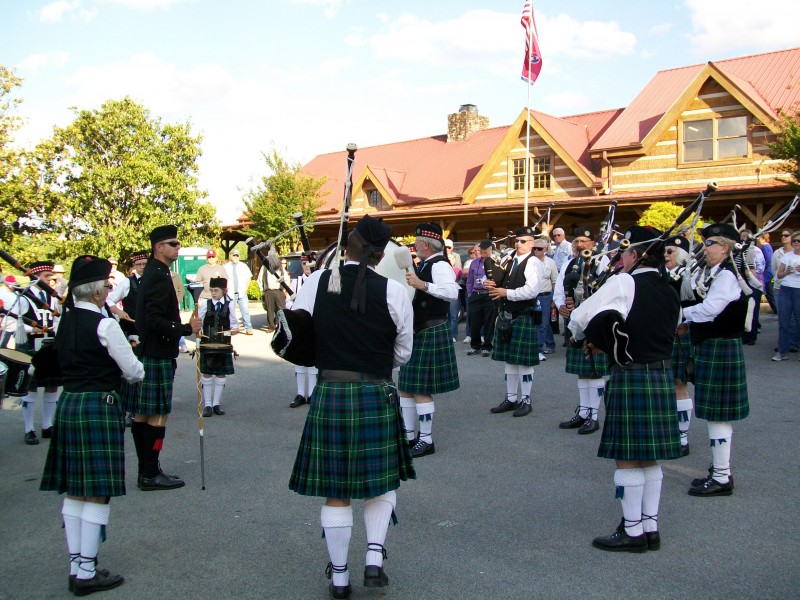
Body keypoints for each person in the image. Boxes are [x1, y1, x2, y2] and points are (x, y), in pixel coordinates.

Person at [287, 215, 414, 600]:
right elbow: (403, 354)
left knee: (336, 489)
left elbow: (296, 335)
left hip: (331, 393)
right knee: (381, 482)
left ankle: (340, 577)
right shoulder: (395, 292)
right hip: (376, 393)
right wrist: (373, 365)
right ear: (379, 255)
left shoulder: (316, 282)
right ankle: (374, 556)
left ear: (351, 245)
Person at [568, 225, 682, 553]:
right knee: (650, 459)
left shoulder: (624, 281)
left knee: (628, 458)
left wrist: (581, 336)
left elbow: (581, 316)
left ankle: (632, 533)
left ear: (634, 254)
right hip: (660, 374)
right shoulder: (669, 287)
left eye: (623, 253)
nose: (620, 259)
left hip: (633, 376)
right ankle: (650, 527)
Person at [39, 256, 144, 595]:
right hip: (99, 406)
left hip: (70, 403)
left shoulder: (63, 323)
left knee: (75, 491)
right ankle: (86, 572)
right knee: (97, 492)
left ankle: (77, 565)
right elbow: (134, 372)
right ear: (98, 291)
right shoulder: (106, 325)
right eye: (107, 286)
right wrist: (129, 350)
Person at [130, 225, 202, 491]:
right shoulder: (158, 276)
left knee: (142, 415)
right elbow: (154, 319)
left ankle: (147, 470)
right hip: (158, 352)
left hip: (150, 351)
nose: (178, 247)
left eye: (178, 243)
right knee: (157, 415)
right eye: (173, 243)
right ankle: (150, 473)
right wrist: (186, 330)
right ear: (158, 247)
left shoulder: (154, 272)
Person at [682, 223, 750, 496]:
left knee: (717, 415)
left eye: (709, 243)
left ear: (725, 247)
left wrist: (682, 315)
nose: (704, 248)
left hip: (721, 348)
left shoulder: (727, 277)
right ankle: (720, 470)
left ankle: (722, 476)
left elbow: (710, 310)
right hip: (715, 348)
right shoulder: (717, 273)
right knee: (715, 414)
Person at [398, 223, 460, 457]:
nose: (413, 245)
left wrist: (422, 285)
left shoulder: (440, 264)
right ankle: (408, 436)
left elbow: (452, 292)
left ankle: (426, 440)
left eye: (416, 242)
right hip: (417, 331)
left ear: (425, 244)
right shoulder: (423, 264)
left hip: (431, 329)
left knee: (420, 388)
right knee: (406, 387)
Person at [554, 229, 610, 434]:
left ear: (593, 243)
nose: (579, 245)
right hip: (573, 321)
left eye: (584, 241)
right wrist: (561, 305)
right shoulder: (568, 263)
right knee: (582, 371)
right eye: (576, 241)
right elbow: (560, 288)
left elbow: (605, 291)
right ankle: (584, 412)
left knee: (594, 369)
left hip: (594, 320)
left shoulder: (602, 262)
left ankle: (594, 417)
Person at [487, 226, 544, 418]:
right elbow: (502, 281)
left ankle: (525, 400)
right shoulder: (509, 260)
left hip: (522, 315)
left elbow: (531, 291)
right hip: (507, 316)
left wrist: (506, 293)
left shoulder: (533, 262)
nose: (519, 244)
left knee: (525, 363)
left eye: (524, 241)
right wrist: (492, 284)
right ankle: (511, 398)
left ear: (532, 243)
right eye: (517, 241)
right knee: (510, 361)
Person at [19, 261, 62, 445]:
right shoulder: (24, 297)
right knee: (31, 386)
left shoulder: (51, 297)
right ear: (34, 277)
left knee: (52, 386)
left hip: (48, 347)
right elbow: (17, 323)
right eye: (46, 277)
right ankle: (29, 429)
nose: (49, 280)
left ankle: (47, 426)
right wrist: (33, 330)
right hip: (29, 346)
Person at [664, 235, 694, 456]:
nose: (665, 256)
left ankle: (682, 436)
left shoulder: (688, 277)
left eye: (670, 252)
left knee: (679, 384)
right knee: (666, 384)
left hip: (679, 333)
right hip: (662, 334)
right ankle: (669, 430)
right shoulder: (663, 275)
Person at [198, 276, 238, 416]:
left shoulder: (230, 305)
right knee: (207, 373)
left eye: (216, 290)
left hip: (223, 344)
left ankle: (216, 404)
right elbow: (198, 321)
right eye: (211, 290)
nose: (213, 293)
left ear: (224, 291)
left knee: (221, 373)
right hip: (207, 344)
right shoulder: (205, 304)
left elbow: (234, 324)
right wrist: (199, 331)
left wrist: (234, 329)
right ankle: (207, 405)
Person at [287, 255, 318, 408]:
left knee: (312, 360)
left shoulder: (319, 280)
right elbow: (288, 302)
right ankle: (300, 394)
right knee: (299, 359)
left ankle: (312, 394)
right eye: (304, 263)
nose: (306, 266)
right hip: (299, 323)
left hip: (314, 322)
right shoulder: (296, 282)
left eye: (309, 263)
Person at [106, 250, 148, 345]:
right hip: (131, 330)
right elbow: (108, 300)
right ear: (134, 265)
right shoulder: (127, 282)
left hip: (151, 331)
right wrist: (118, 311)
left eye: (145, 264)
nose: (142, 267)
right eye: (139, 264)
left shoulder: (155, 281)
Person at [466, 240, 496, 357]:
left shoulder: (495, 262)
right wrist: (469, 293)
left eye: (485, 249)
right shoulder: (474, 262)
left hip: (489, 295)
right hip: (475, 294)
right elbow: (470, 279)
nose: (483, 251)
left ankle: (487, 346)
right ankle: (475, 346)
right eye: (481, 249)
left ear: (490, 250)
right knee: (474, 322)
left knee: (489, 322)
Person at [772, 228, 799, 352]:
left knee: (797, 319)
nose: (796, 243)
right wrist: (787, 271)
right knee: (783, 320)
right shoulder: (784, 255)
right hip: (785, 288)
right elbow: (778, 274)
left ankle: (794, 344)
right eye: (794, 241)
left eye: (799, 240)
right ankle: (783, 350)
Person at [533, 237, 558, 358]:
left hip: (545, 296)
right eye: (534, 248)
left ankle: (538, 349)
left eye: (539, 248)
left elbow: (554, 281)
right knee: (543, 322)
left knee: (542, 323)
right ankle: (551, 344)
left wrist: (554, 298)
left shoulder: (550, 262)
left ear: (545, 250)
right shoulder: (530, 261)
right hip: (532, 296)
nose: (536, 251)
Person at [738, 229, 764, 345]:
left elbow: (761, 267)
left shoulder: (756, 251)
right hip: (742, 285)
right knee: (743, 310)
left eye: (746, 236)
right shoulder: (739, 251)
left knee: (753, 311)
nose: (744, 238)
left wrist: (750, 274)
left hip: (754, 285)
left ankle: (751, 337)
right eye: (742, 236)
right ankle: (743, 335)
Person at [224, 249, 254, 335]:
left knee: (245, 310)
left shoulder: (243, 266)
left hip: (241, 292)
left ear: (239, 256)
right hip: (230, 293)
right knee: (231, 311)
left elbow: (248, 278)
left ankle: (248, 327)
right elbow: (223, 279)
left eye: (237, 255)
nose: (235, 257)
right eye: (234, 255)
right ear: (230, 256)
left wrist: (245, 290)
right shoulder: (226, 267)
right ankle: (234, 327)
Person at [258, 259, 289, 332]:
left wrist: (285, 289)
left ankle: (280, 325)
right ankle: (271, 327)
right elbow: (260, 279)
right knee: (270, 309)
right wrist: (262, 290)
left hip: (279, 291)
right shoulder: (264, 267)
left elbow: (286, 278)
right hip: (268, 291)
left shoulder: (280, 267)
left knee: (281, 309)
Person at [444, 239, 462, 342]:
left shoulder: (457, 256)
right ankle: (446, 335)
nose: (447, 249)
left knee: (454, 315)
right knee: (445, 315)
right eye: (445, 247)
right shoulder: (441, 258)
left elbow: (458, 272)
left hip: (454, 289)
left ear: (452, 248)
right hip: (444, 290)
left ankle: (453, 336)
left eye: (449, 247)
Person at [757, 233, 776, 313]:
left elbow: (768, 260)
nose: (758, 239)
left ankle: (776, 308)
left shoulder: (765, 247)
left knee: (769, 292)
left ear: (763, 238)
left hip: (767, 272)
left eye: (760, 238)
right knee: (768, 292)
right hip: (768, 271)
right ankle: (776, 308)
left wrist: (764, 272)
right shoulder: (766, 247)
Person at [0, 275, 20, 348]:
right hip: (4, 323)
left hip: (15, 322)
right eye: (13, 284)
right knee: (2, 346)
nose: (14, 286)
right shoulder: (1, 292)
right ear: (7, 284)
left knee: (18, 345)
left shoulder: (16, 293)